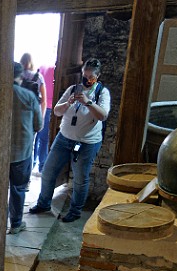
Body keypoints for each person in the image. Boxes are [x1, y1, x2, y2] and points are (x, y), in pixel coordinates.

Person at [28, 58, 110, 223]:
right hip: (64, 138)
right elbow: (57, 111)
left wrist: (88, 103)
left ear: (98, 76)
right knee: (49, 171)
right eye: (84, 76)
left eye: (91, 77)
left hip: (86, 143)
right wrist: (68, 102)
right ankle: (43, 203)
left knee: (80, 178)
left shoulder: (102, 92)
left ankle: (75, 211)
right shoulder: (73, 89)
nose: (86, 80)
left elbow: (103, 115)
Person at [8, 61, 44, 235]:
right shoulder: (28, 96)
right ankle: (15, 224)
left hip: (0, 153)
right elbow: (38, 125)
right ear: (20, 77)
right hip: (21, 152)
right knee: (18, 188)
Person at [33, 62, 56, 174]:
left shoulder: (42, 67)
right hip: (48, 106)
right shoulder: (49, 69)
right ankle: (41, 167)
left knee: (36, 138)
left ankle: (33, 165)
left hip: (39, 105)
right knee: (43, 138)